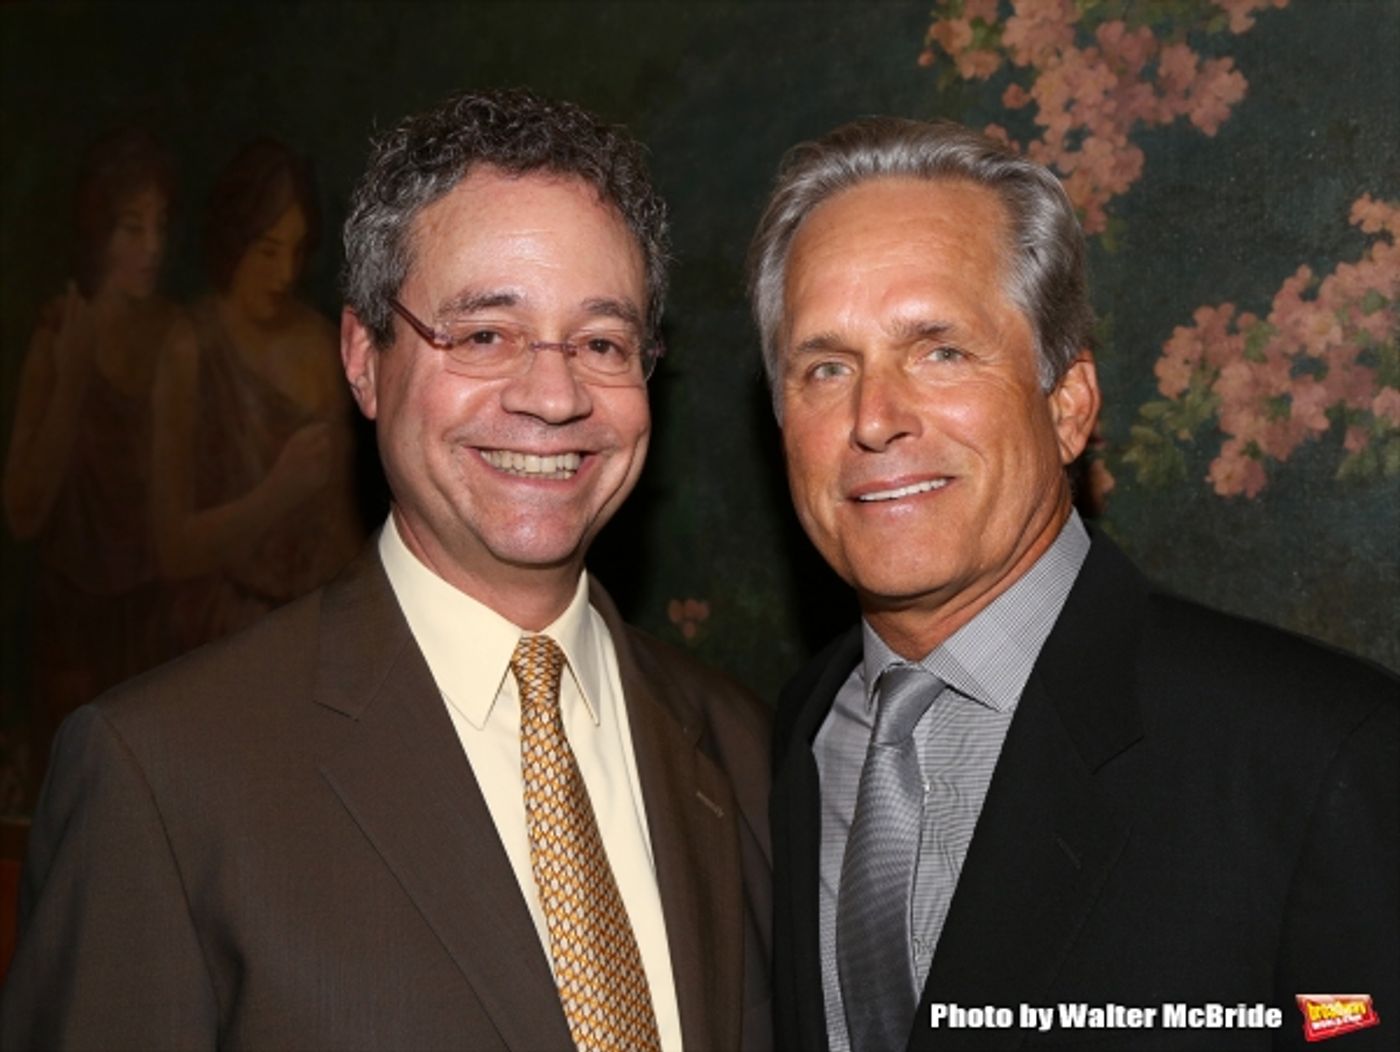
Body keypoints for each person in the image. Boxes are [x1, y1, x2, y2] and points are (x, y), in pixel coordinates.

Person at [2, 89, 772, 1051]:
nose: (553, 393)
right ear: (364, 357)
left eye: (602, 343)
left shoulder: (741, 751)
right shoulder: (158, 780)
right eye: (485, 334)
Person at [749, 117, 1397, 1051]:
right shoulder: (791, 736)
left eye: (941, 351)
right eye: (825, 367)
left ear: (1068, 407)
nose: (874, 418)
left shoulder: (1320, 760)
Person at [2, 129, 184, 797]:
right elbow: (22, 511)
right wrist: (73, 381)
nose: (153, 248)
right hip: (69, 620)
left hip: (148, 622)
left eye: (161, 226)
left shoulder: (175, 335)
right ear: (98, 233)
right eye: (132, 228)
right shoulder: (60, 331)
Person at [151, 138, 364, 651]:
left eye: (296, 250)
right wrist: (277, 493)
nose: (285, 273)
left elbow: (342, 521)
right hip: (221, 631)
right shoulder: (190, 347)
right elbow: (171, 548)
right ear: (233, 240)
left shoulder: (318, 341)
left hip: (316, 624)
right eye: (268, 251)